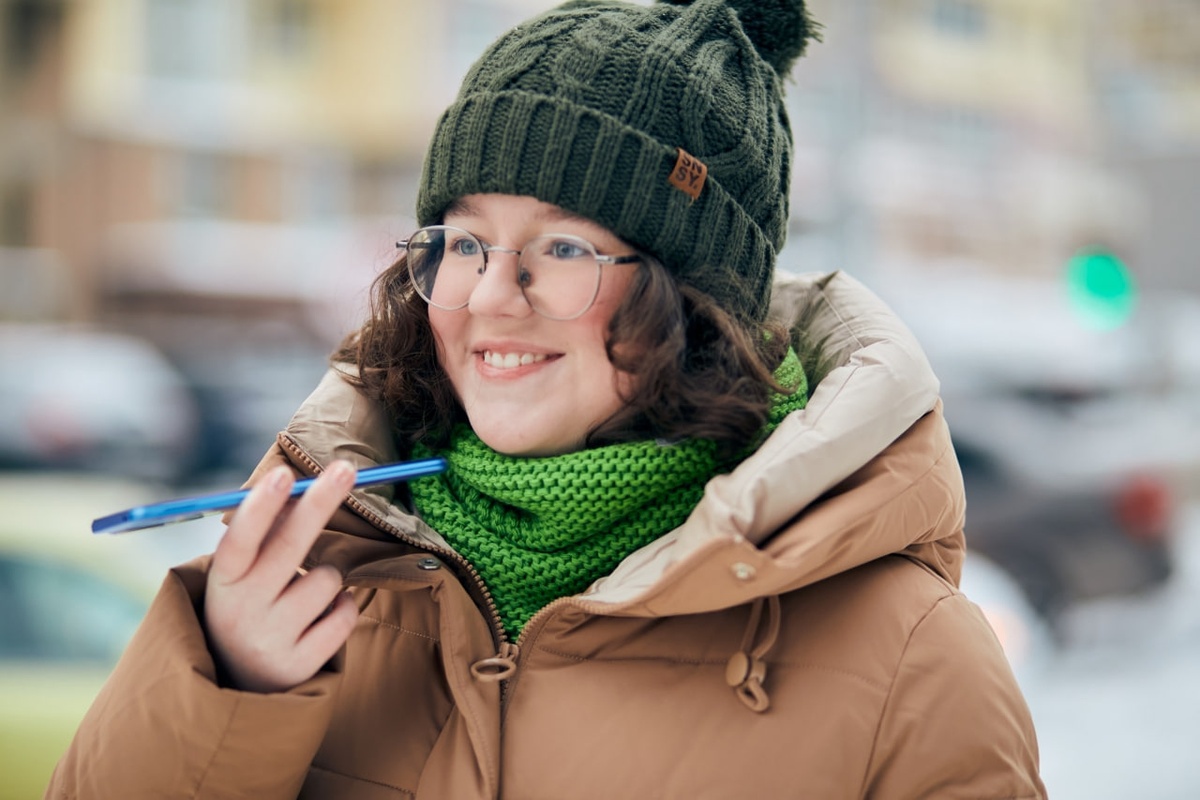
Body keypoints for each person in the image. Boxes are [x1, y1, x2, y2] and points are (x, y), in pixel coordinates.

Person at [50, 0, 1046, 797]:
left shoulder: (914, 662)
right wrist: (228, 683)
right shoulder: (316, 578)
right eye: (464, 240)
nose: (487, 297)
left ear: (697, 305)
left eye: (563, 247)